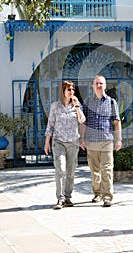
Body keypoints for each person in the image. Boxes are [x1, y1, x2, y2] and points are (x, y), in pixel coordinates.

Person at [80, 75, 122, 207]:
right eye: (96, 83)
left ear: (105, 85)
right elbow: (83, 122)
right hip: (91, 141)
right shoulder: (87, 102)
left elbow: (116, 122)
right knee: (95, 170)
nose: (99, 85)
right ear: (93, 86)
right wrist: (82, 138)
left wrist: (118, 139)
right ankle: (97, 193)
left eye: (101, 83)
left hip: (106, 141)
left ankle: (107, 196)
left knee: (107, 169)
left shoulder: (111, 102)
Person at [44, 80, 86, 210]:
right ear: (63, 91)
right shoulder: (55, 106)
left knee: (71, 172)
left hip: (73, 142)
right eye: (69, 89)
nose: (71, 92)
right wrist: (47, 142)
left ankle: (68, 198)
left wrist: (77, 107)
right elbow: (50, 124)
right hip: (59, 142)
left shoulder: (77, 106)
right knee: (61, 170)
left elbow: (82, 120)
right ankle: (60, 199)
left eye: (73, 89)